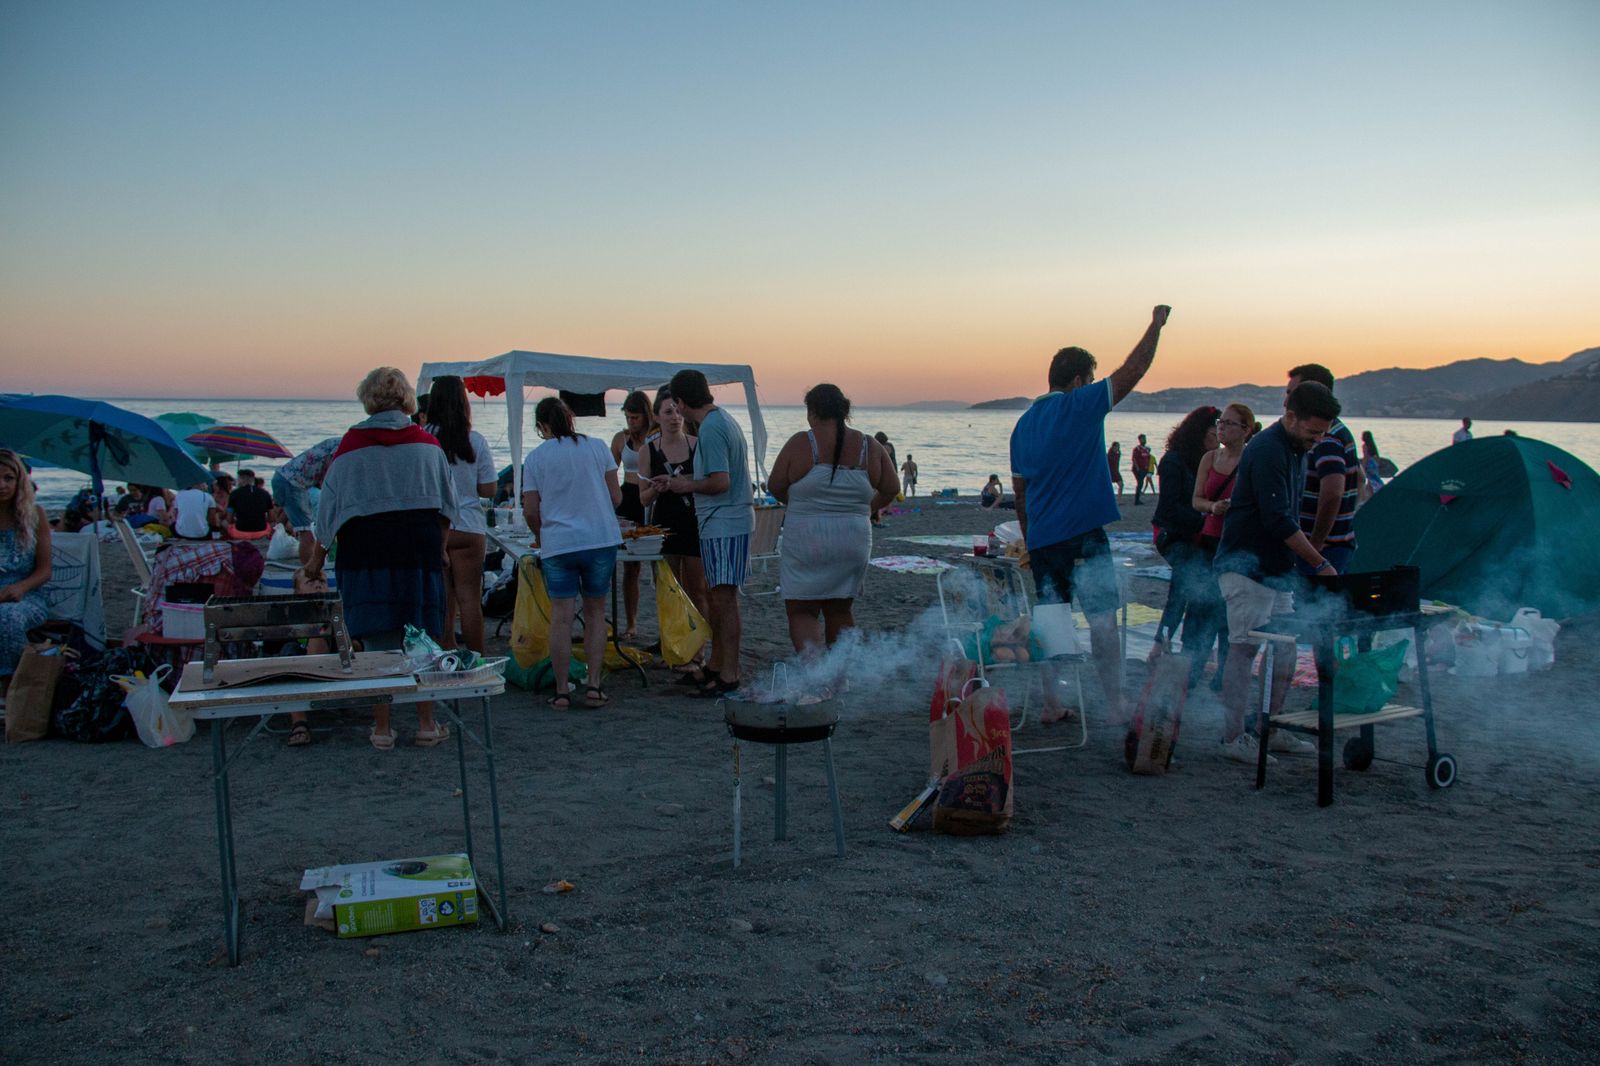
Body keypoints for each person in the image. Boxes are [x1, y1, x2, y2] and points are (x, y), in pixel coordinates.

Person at [1011, 305, 1172, 727]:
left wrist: (1031, 540)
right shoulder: (1079, 405)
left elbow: (1020, 494)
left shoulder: (1023, 425)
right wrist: (1155, 326)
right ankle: (1116, 702)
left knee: (1050, 620)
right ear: (1080, 381)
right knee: (1102, 623)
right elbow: (1132, 372)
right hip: (1082, 535)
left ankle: (1050, 702)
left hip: (1043, 540)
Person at [302, 367, 457, 750]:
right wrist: (440, 549)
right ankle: (425, 724)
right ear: (405, 398)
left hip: (365, 552)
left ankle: (383, 729)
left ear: (367, 399)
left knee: (377, 643)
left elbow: (328, 513)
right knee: (421, 639)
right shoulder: (427, 446)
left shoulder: (350, 448)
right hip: (417, 549)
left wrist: (315, 561)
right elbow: (447, 507)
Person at [1214, 382, 1343, 765]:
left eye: (1323, 433)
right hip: (1245, 566)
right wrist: (1318, 562)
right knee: (1243, 649)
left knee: (1285, 650)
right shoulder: (1268, 449)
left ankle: (1269, 726)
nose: (1317, 440)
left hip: (1277, 568)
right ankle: (1233, 738)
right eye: (1312, 432)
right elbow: (1277, 519)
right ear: (1290, 417)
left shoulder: (1296, 448)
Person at [767, 384, 899, 664]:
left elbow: (775, 486)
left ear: (812, 412)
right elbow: (892, 487)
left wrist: (802, 505)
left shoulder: (802, 443)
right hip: (853, 539)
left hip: (807, 538)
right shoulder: (869, 446)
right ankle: (839, 676)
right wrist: (867, 508)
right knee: (840, 609)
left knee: (802, 611)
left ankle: (816, 677)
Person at [523, 397, 622, 710]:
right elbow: (616, 497)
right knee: (595, 613)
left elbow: (530, 509)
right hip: (598, 539)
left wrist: (541, 536)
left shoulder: (537, 458)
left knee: (561, 618)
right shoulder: (598, 448)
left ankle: (563, 689)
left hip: (559, 543)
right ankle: (593, 686)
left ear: (543, 426)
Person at [664, 369, 753, 697]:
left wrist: (685, 484)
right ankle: (716, 665)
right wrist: (682, 481)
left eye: (675, 405)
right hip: (723, 521)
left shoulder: (713, 428)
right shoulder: (721, 421)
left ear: (682, 401)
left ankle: (729, 673)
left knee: (724, 599)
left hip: (726, 522)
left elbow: (720, 481)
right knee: (718, 598)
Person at [639, 390, 711, 678]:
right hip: (664, 525)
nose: (675, 417)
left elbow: (709, 482)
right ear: (656, 417)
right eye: (667, 412)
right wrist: (656, 487)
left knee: (697, 589)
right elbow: (642, 499)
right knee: (670, 590)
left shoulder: (697, 445)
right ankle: (675, 649)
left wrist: (685, 482)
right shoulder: (649, 450)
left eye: (677, 411)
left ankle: (699, 652)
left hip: (694, 524)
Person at [426, 375, 499, 654]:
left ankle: (446, 657)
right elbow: (489, 489)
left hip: (435, 526)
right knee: (470, 600)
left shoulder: (423, 438)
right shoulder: (475, 440)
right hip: (469, 525)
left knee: (443, 602)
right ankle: (476, 660)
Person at [1150, 407, 1220, 687]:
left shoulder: (1213, 461)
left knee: (1208, 596)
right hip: (1174, 535)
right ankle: (1160, 646)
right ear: (1200, 431)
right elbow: (1169, 509)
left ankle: (1192, 660)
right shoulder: (1174, 461)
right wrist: (1205, 518)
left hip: (1202, 537)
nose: (1219, 434)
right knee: (1186, 583)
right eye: (1214, 428)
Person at [1191, 402, 1257, 678]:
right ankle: (1194, 669)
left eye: (1229, 423)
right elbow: (1196, 500)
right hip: (1209, 540)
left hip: (1236, 545)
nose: (1222, 428)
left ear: (1246, 430)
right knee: (1203, 605)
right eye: (1221, 422)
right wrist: (1212, 507)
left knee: (1232, 611)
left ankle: (1224, 674)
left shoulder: (1252, 460)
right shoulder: (1209, 459)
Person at [1286, 364, 1361, 575]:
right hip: (1334, 545)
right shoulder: (1335, 431)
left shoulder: (1326, 437)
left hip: (1324, 550)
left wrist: (1314, 547)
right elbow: (1360, 480)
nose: (1286, 401)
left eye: (1292, 393)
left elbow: (1333, 493)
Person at [0, 450, 52, 688]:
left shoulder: (34, 515)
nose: (2, 485)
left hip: (27, 594)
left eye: (8, 478)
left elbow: (44, 571)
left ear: (19, 480)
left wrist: (20, 587)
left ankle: (11, 685)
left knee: (8, 617)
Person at [610, 390, 656, 642]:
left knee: (659, 565)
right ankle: (631, 623)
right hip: (627, 496)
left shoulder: (656, 436)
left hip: (650, 496)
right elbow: (608, 471)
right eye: (628, 417)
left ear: (646, 415)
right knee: (630, 567)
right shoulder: (621, 439)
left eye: (635, 417)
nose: (631, 422)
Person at [272, 437, 342, 565]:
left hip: (289, 480)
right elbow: (331, 477)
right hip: (291, 482)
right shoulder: (342, 447)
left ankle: (312, 567)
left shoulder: (339, 443)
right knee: (305, 532)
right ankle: (310, 572)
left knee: (305, 528)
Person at [227, 469, 274, 540]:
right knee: (271, 525)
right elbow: (272, 518)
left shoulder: (234, 494)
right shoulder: (265, 493)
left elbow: (229, 519)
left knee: (224, 523)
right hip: (262, 532)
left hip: (240, 532)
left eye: (237, 479)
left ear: (241, 479)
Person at [872, 432, 897, 525]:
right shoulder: (888, 445)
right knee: (886, 490)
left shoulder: (885, 446)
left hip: (888, 472)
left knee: (885, 490)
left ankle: (883, 510)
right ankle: (886, 509)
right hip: (890, 471)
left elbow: (882, 457)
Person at [1359, 430, 1385, 503]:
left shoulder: (1365, 446)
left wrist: (1363, 467)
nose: (1361, 437)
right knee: (1375, 478)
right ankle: (1377, 490)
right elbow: (1377, 457)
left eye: (1362, 436)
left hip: (1369, 463)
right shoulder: (1372, 445)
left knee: (1370, 480)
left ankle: (1369, 498)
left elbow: (1365, 457)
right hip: (1374, 463)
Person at [1131, 433, 1154, 505]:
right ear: (1139, 440)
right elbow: (1134, 459)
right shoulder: (1137, 449)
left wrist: (1149, 468)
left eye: (1145, 439)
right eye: (1142, 439)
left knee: (1141, 483)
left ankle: (1137, 499)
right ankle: (1136, 500)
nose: (1144, 440)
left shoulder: (1147, 449)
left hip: (1145, 469)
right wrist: (1137, 468)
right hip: (1138, 469)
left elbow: (1148, 458)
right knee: (1140, 483)